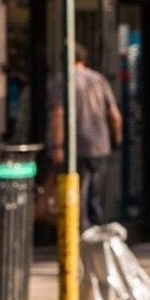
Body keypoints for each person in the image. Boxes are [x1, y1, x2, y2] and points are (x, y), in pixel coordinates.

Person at [48, 45, 122, 228]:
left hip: (77, 146)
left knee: (77, 196)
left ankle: (81, 236)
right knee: (95, 195)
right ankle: (94, 234)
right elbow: (115, 114)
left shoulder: (62, 80)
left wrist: (58, 146)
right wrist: (116, 138)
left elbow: (58, 113)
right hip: (100, 145)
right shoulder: (99, 79)